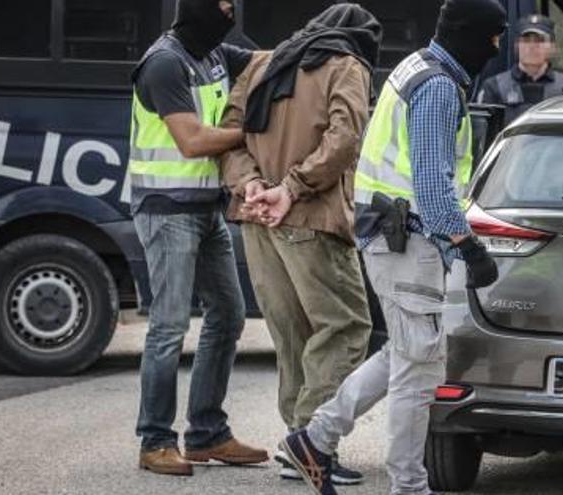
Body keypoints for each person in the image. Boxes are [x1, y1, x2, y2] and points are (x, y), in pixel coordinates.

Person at [277, 1, 505, 493]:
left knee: (406, 354)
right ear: (472, 34)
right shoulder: (439, 86)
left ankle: (315, 439)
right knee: (419, 374)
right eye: (494, 37)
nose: (498, 48)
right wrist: (469, 248)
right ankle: (409, 486)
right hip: (410, 240)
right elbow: (432, 186)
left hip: (392, 237)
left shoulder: (416, 66)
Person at [219, 4, 382, 486]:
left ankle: (297, 440)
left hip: (256, 219)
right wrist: (290, 188)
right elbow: (346, 136)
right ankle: (311, 440)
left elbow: (231, 136)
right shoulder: (345, 64)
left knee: (291, 331)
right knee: (348, 325)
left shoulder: (261, 63)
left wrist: (250, 185)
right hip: (310, 215)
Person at [129, 0, 267, 476]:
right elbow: (191, 141)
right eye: (224, 4)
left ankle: (208, 434)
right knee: (168, 328)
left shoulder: (213, 53)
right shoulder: (165, 63)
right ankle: (155, 441)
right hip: (166, 211)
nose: (231, 12)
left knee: (228, 315)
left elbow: (268, 59)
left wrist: (317, 47)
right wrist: (251, 133)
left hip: (206, 209)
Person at [478, 14, 563, 123]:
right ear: (517, 46)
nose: (532, 46)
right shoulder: (494, 87)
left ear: (553, 47)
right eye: (526, 40)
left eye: (540, 40)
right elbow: (482, 132)